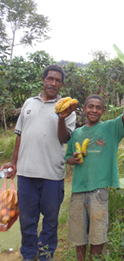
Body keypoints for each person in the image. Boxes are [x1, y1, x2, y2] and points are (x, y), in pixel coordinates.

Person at [65, 86, 124, 261]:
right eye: (90, 107)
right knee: (78, 234)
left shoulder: (110, 128)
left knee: (98, 233)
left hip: (99, 190)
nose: (94, 110)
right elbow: (68, 157)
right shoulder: (76, 133)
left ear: (103, 111)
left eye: (98, 107)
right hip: (78, 189)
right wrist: (74, 159)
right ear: (84, 109)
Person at [1, 64, 78, 261]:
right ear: (43, 80)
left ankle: (45, 256)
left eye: (57, 80)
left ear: (61, 84)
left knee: (50, 221)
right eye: (50, 79)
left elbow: (64, 138)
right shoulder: (28, 103)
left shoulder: (67, 108)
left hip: (52, 174)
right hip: (26, 173)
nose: (53, 83)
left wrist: (62, 118)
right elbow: (19, 134)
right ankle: (29, 256)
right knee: (27, 221)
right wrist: (13, 162)